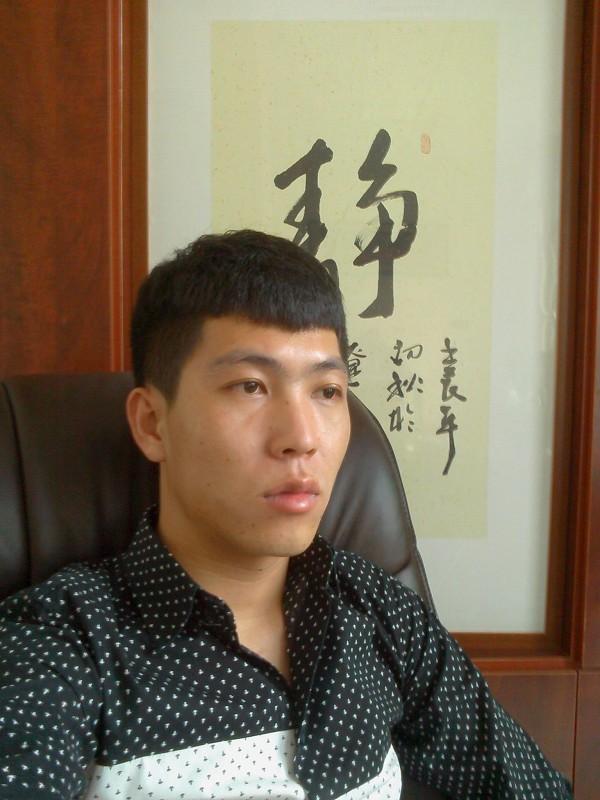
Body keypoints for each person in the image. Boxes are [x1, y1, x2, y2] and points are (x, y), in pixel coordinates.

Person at [0, 230, 571, 799]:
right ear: (153, 423)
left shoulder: (378, 613)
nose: (302, 438)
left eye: (327, 391)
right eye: (250, 386)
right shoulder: (59, 644)